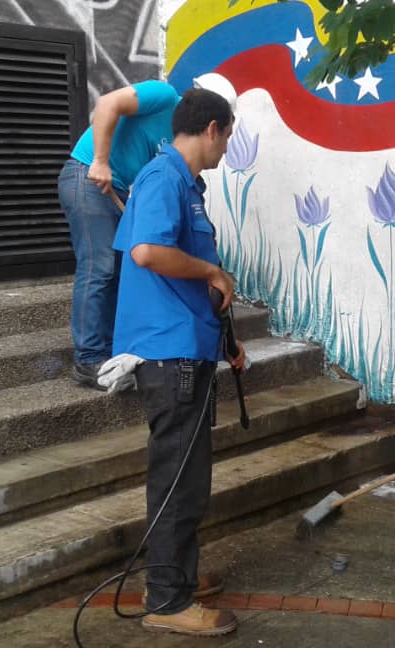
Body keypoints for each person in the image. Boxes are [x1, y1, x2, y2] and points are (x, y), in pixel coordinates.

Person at [108, 87, 245, 637]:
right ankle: (168, 602)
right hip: (169, 357)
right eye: (228, 136)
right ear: (211, 128)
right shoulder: (165, 178)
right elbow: (147, 253)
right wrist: (214, 274)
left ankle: (174, 578)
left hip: (185, 349)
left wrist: (225, 340)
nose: (227, 148)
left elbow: (163, 267)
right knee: (179, 483)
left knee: (185, 479)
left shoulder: (175, 183)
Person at [57, 73, 237, 389]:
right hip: (88, 174)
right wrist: (100, 160)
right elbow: (107, 102)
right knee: (99, 266)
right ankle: (88, 358)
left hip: (125, 188)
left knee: (123, 267)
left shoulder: (180, 144)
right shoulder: (163, 95)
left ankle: (114, 349)